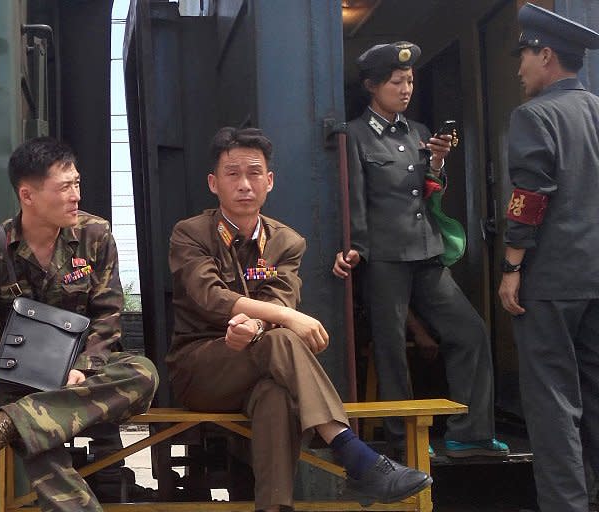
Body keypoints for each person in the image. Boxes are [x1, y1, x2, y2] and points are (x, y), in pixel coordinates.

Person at [168, 126, 431, 511]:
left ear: (269, 181)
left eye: (255, 173)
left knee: (275, 395)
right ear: (214, 183)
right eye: (233, 174)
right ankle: (352, 453)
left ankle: (276, 507)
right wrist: (282, 318)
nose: (245, 184)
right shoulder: (190, 233)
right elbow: (210, 296)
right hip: (202, 367)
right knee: (285, 337)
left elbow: (281, 295)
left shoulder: (287, 242)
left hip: (265, 363)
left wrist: (257, 324)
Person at [0, 137, 158, 512]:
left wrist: (81, 368)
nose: (76, 195)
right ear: (27, 196)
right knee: (39, 428)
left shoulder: (95, 235)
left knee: (143, 373)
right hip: (22, 376)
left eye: (77, 183)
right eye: (64, 187)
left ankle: (9, 423)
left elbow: (108, 316)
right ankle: (20, 418)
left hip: (86, 372)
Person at [331, 41, 507, 458]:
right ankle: (404, 439)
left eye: (410, 80)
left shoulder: (420, 133)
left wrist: (439, 165)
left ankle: (471, 431)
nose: (406, 88)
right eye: (397, 82)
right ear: (373, 86)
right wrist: (356, 247)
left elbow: (429, 194)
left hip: (425, 251)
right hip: (385, 257)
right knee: (391, 348)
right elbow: (355, 197)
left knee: (470, 332)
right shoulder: (355, 134)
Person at [498, 4, 599, 511]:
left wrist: (512, 266)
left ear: (547, 55)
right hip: (596, 277)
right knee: (596, 397)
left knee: (553, 402)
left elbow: (530, 195)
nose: (519, 68)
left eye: (525, 56)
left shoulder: (535, 115)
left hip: (552, 281)